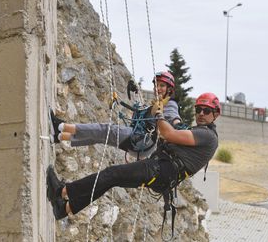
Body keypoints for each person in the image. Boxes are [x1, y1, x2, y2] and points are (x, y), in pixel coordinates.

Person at [46, 92, 220, 221]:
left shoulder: (207, 136)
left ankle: (62, 191)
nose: (201, 114)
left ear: (216, 114)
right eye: (199, 109)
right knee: (110, 179)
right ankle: (66, 208)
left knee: (111, 174)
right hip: (161, 171)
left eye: (206, 110)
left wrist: (159, 114)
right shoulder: (199, 131)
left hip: (159, 170)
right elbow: (175, 126)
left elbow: (169, 134)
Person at [50, 71, 182, 159]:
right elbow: (143, 114)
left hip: (141, 140)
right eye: (156, 85)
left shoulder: (170, 104)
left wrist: (178, 125)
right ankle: (60, 136)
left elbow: (173, 117)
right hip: (141, 144)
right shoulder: (156, 103)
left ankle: (61, 126)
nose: (157, 88)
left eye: (162, 86)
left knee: (105, 129)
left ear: (170, 89)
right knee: (101, 137)